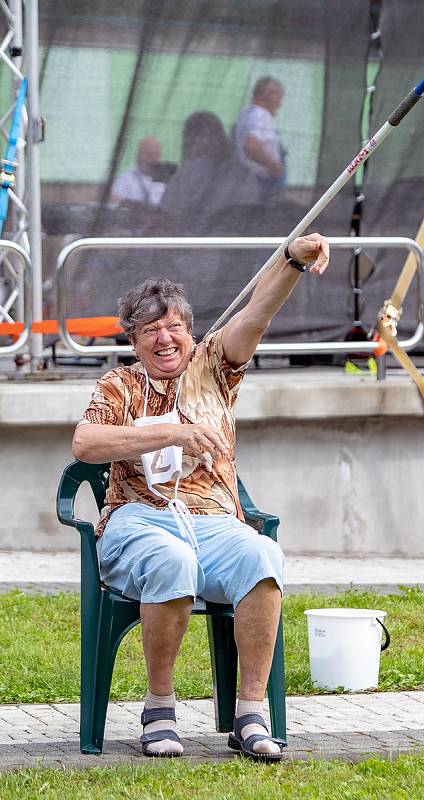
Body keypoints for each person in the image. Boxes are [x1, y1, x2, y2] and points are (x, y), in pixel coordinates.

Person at [72, 233, 330, 761]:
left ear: (190, 332)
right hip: (138, 521)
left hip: (213, 520)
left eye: (174, 327)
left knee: (262, 556)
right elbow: (87, 444)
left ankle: (250, 714)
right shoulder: (118, 386)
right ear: (134, 340)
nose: (165, 339)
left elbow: (256, 314)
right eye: (151, 330)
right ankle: (160, 709)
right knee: (170, 560)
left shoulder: (214, 367)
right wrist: (169, 432)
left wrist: (292, 261)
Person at [160, 111, 261, 232]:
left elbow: (168, 215)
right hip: (228, 245)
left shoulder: (188, 174)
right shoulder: (245, 175)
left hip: (196, 245)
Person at [232, 77, 286, 200]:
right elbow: (251, 146)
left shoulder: (246, 113)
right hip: (262, 182)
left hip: (250, 179)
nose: (280, 104)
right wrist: (274, 166)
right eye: (279, 98)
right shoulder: (260, 115)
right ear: (268, 95)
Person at [110, 137, 166, 207]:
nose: (143, 157)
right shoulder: (125, 178)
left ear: (158, 157)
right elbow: (115, 202)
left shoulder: (166, 181)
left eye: (148, 153)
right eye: (140, 152)